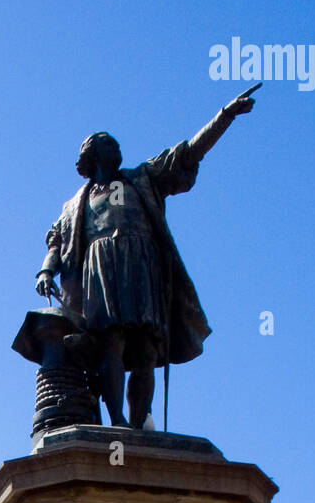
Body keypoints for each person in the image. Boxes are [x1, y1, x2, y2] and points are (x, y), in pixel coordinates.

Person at [35, 91, 256, 429]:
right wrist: (46, 271)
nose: (117, 147)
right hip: (100, 266)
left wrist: (224, 116)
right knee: (112, 341)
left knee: (146, 351)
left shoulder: (142, 179)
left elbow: (186, 153)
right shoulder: (73, 206)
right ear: (92, 157)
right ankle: (117, 420)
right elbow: (57, 240)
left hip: (141, 262)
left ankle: (139, 425)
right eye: (108, 144)